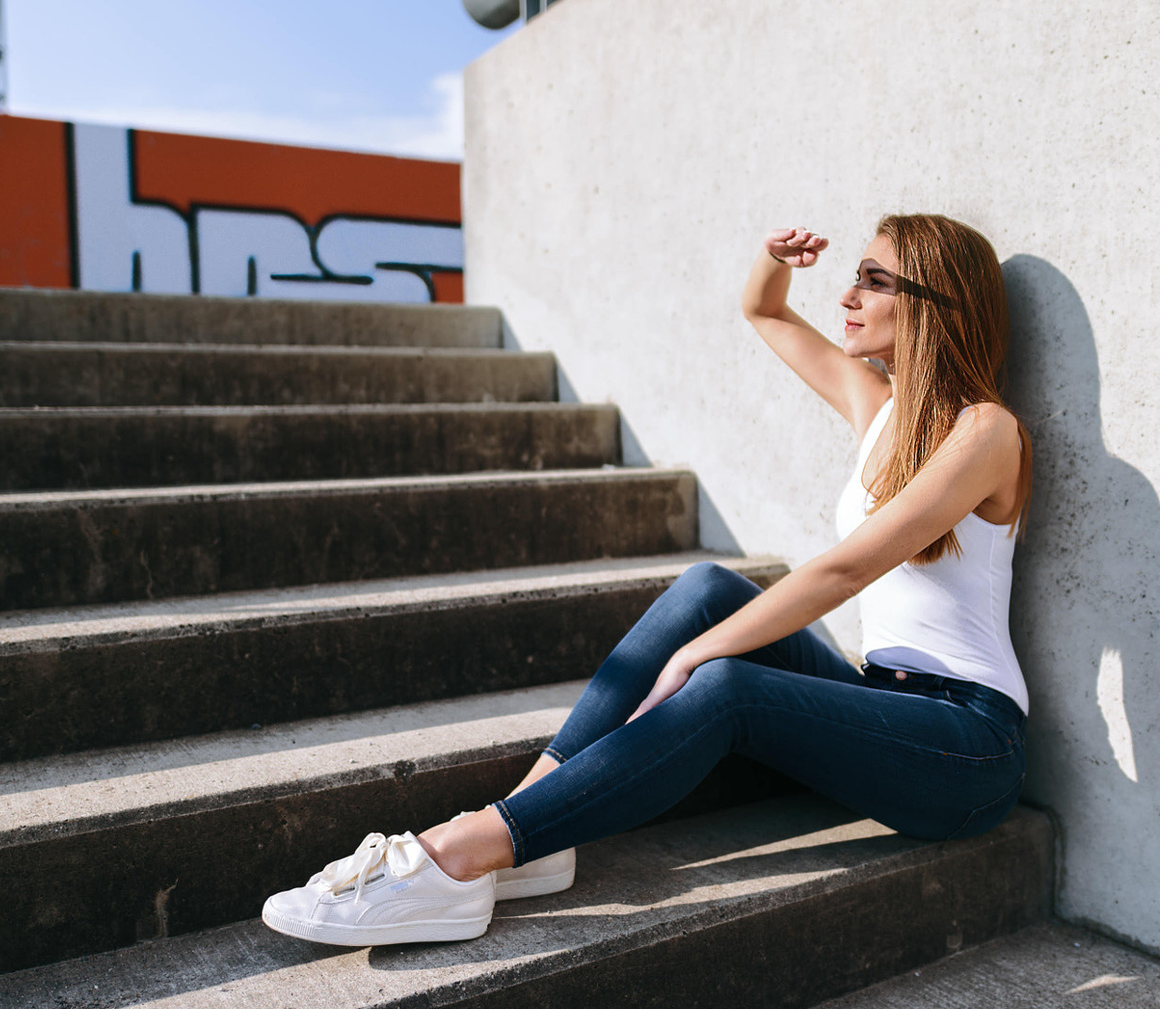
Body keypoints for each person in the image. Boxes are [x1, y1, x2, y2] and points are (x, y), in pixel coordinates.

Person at [262, 215, 1034, 947]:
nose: (846, 295)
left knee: (728, 681)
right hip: (882, 704)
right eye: (852, 275)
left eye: (874, 279)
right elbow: (763, 310)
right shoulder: (880, 408)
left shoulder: (987, 431)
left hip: (966, 745)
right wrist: (775, 258)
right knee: (706, 586)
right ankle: (533, 823)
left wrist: (694, 657)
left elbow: (848, 568)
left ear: (937, 303)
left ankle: (466, 851)